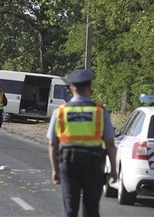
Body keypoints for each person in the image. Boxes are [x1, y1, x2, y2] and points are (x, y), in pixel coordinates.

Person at [46, 68, 117, 217]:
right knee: (91, 210)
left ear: (71, 89)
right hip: (93, 165)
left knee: (70, 209)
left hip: (68, 165)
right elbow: (110, 144)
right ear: (89, 89)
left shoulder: (60, 112)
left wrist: (54, 170)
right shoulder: (100, 112)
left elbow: (52, 143)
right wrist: (114, 170)